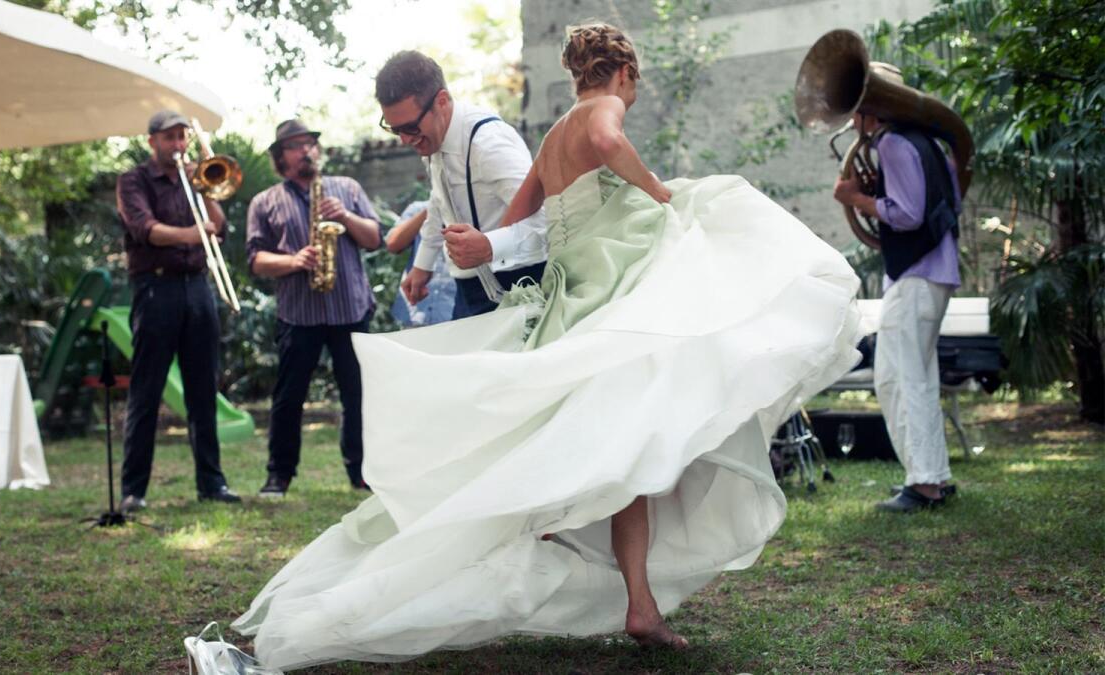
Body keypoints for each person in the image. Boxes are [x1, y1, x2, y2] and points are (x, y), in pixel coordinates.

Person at [233, 24, 861, 669]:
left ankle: (636, 601)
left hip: (574, 297)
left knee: (629, 453)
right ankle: (586, 549)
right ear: (624, 74)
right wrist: (658, 192)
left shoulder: (555, 130)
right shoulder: (601, 109)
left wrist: (489, 246)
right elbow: (607, 141)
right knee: (713, 245)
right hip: (612, 292)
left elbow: (520, 213)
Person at [831, 63, 962, 513]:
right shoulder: (928, 142)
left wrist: (858, 199)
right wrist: (877, 192)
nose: (851, 123)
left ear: (873, 109)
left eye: (856, 112)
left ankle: (924, 484)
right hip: (931, 273)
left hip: (916, 274)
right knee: (906, 377)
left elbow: (906, 215)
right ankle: (933, 477)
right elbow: (945, 202)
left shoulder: (892, 143)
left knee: (904, 379)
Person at [246, 120, 383, 495]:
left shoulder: (347, 189)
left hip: (349, 309)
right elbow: (256, 260)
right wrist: (293, 261)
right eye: (295, 145)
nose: (306, 150)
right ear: (280, 157)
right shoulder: (265, 202)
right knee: (289, 397)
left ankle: (362, 472)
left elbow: (374, 238)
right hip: (298, 313)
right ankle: (279, 474)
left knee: (357, 394)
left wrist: (346, 216)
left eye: (310, 144)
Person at [114, 109, 240, 511]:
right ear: (152, 141)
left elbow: (217, 225)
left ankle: (212, 483)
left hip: (197, 288)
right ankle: (134, 490)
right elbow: (144, 229)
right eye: (169, 138)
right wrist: (192, 234)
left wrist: (207, 190)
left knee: (203, 389)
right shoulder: (133, 181)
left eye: (182, 137)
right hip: (156, 288)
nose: (178, 145)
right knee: (147, 390)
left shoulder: (195, 178)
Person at [375, 50, 548, 318]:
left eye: (409, 127)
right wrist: (423, 264)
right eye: (395, 130)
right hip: (469, 291)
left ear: (441, 101)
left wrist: (491, 246)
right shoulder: (433, 139)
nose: (405, 140)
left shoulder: (488, 145)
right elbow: (439, 201)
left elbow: (549, 220)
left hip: (521, 288)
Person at [387, 200, 462, 326]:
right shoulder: (417, 208)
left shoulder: (469, 210)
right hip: (413, 312)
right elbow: (393, 244)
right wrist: (434, 208)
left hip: (455, 313)